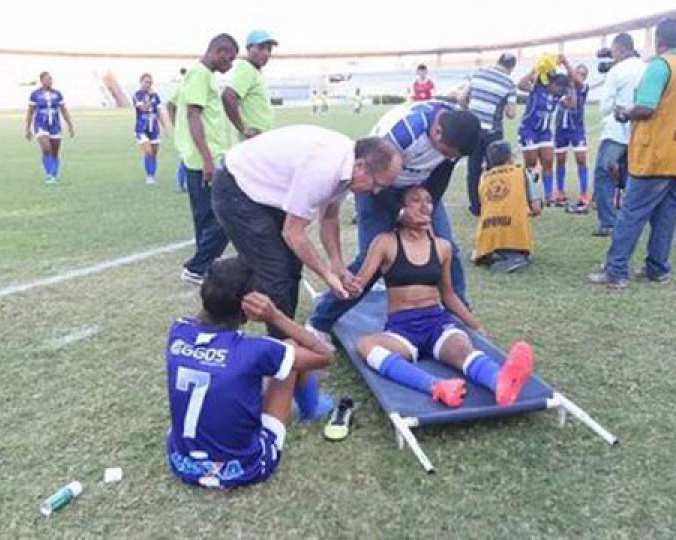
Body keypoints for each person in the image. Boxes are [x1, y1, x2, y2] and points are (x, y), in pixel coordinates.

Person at [212, 126, 401, 420]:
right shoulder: (324, 170)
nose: (376, 192)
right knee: (275, 278)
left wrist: (338, 264)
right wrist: (327, 274)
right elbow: (294, 233)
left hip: (264, 195)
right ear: (362, 165)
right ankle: (293, 389)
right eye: (377, 184)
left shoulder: (348, 165)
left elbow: (330, 218)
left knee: (289, 272)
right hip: (237, 190)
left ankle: (284, 373)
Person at [307, 100, 481, 341]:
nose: (446, 157)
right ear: (437, 131)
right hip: (378, 184)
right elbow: (378, 178)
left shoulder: (456, 131)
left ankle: (458, 316)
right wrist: (401, 213)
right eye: (444, 151)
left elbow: (441, 175)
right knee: (374, 258)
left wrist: (425, 211)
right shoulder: (402, 134)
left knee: (445, 246)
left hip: (419, 184)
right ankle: (320, 322)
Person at [351, 185, 535, 408]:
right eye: (416, 200)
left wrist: (475, 325)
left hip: (437, 325)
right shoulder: (385, 242)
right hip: (402, 330)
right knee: (365, 345)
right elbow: (359, 283)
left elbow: (448, 294)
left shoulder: (442, 247)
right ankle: (436, 386)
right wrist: (339, 279)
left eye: (428, 200)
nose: (425, 206)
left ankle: (501, 383)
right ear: (401, 209)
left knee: (463, 348)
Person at [164, 257, 334, 489]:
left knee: (237, 374)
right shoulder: (257, 350)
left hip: (182, 464)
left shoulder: (178, 331)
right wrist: (275, 316)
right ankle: (311, 408)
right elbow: (324, 356)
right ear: (247, 309)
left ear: (204, 296)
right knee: (290, 350)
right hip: (245, 468)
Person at [589, 17, 676, 288]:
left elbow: (646, 107)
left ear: (658, 40)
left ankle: (616, 271)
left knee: (631, 214)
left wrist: (625, 112)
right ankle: (658, 269)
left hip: (656, 154)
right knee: (666, 217)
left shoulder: (660, 66)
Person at [173, 34, 239, 286]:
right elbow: (193, 116)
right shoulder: (199, 74)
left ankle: (205, 269)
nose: (230, 64)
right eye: (229, 58)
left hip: (205, 158)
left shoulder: (205, 75)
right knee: (227, 214)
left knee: (206, 217)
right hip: (204, 160)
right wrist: (207, 159)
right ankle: (197, 267)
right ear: (219, 51)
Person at [592, 33, 646, 236]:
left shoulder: (617, 71)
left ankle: (608, 222)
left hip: (615, 131)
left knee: (604, 174)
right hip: (639, 130)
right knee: (636, 175)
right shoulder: (646, 68)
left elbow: (605, 106)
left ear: (620, 50)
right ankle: (633, 219)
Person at [460, 52, 518, 216]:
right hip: (493, 130)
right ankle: (495, 202)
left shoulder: (477, 73)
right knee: (496, 168)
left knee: (473, 168)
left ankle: (475, 206)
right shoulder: (509, 83)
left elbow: (461, 98)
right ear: (512, 67)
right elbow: (511, 113)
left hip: (473, 129)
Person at [472, 140, 543, 273]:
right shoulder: (520, 172)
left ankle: (490, 254)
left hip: (486, 239)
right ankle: (513, 257)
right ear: (510, 157)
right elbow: (536, 208)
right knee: (516, 244)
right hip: (513, 236)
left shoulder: (484, 177)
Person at [517, 56, 571, 206]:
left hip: (545, 132)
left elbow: (571, 104)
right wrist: (535, 69)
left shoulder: (557, 96)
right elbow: (520, 85)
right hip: (529, 131)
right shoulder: (536, 89)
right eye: (558, 86)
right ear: (550, 83)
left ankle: (549, 197)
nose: (560, 89)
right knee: (531, 163)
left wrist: (570, 88)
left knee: (548, 162)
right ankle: (527, 195)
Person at [222, 30, 277, 140]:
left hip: (260, 141)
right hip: (252, 143)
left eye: (269, 49)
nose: (266, 53)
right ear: (248, 49)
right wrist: (243, 129)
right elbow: (228, 96)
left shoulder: (255, 71)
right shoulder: (246, 68)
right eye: (261, 48)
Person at [25, 72, 75, 184]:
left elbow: (64, 110)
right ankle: (49, 175)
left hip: (55, 125)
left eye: (51, 79)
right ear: (41, 80)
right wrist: (27, 128)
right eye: (47, 79)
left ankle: (53, 175)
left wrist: (70, 125)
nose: (50, 81)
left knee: (55, 152)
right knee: (46, 148)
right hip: (41, 124)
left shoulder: (57, 94)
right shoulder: (35, 95)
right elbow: (30, 112)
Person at [555, 64, 591, 209]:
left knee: (581, 160)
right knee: (560, 161)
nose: (579, 76)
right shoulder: (562, 88)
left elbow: (572, 103)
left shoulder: (583, 88)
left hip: (577, 129)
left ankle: (584, 193)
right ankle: (561, 192)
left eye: (582, 74)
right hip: (561, 130)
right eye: (577, 73)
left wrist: (565, 62)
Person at [133, 73, 165, 185]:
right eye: (146, 82)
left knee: (154, 153)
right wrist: (150, 97)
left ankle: (152, 174)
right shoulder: (138, 95)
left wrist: (165, 127)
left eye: (150, 82)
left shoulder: (156, 96)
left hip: (154, 129)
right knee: (148, 151)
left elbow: (159, 112)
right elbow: (144, 108)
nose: (148, 84)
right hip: (141, 128)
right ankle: (149, 177)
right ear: (141, 82)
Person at [165, 67, 189, 192]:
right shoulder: (182, 88)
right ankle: (182, 184)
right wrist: (175, 122)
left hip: (195, 127)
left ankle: (184, 184)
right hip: (186, 129)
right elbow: (169, 104)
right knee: (186, 156)